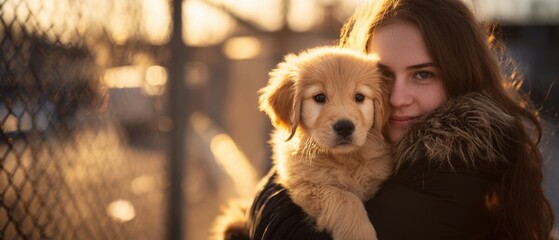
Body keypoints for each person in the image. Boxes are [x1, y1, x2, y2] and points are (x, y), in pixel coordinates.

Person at [245, 0, 555, 239]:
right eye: (385, 76)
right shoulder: (388, 141)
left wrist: (265, 197)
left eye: (423, 74)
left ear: (461, 76)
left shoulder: (459, 165)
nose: (395, 99)